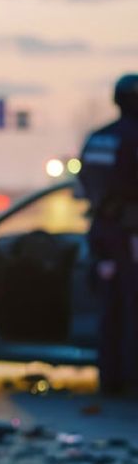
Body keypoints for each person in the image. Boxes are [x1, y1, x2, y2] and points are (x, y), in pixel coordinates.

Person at [77, 73, 138, 394]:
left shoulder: (97, 138)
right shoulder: (133, 136)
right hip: (130, 234)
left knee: (109, 307)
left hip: (102, 231)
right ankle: (130, 379)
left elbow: (84, 183)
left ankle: (110, 380)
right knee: (131, 308)